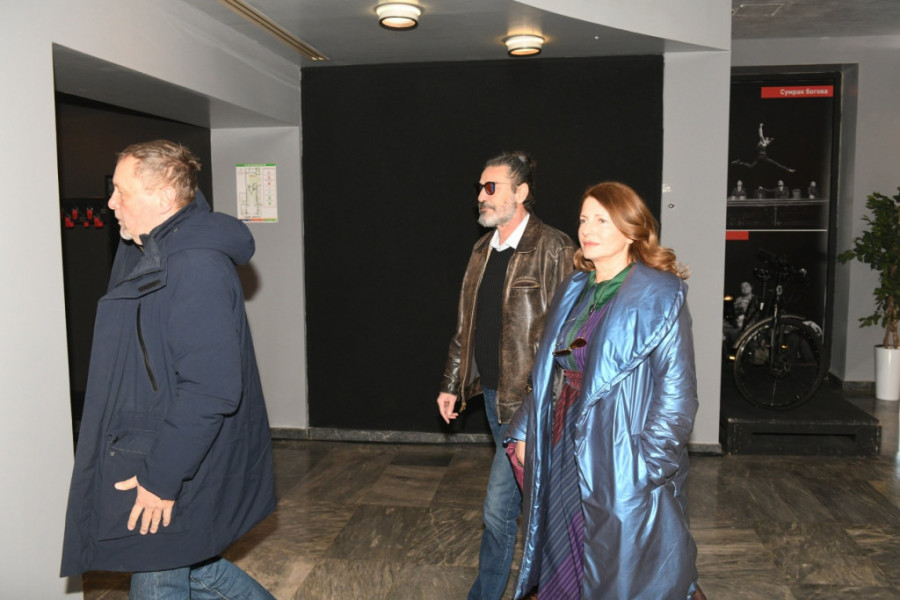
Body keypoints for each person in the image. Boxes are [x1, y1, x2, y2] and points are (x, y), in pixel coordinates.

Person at [60, 140, 276, 599]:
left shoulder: (194, 265)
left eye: (121, 191)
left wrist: (161, 479)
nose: (110, 203)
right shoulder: (150, 251)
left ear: (161, 197)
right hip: (155, 449)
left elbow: (210, 389)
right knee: (193, 568)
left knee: (159, 570)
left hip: (174, 459)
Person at [507, 182, 705, 599]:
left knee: (617, 566)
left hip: (620, 449)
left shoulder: (660, 294)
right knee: (564, 548)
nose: (587, 229)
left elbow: (678, 394)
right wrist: (525, 429)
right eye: (583, 219)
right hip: (563, 440)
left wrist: (646, 466)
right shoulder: (575, 288)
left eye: (602, 220)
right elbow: (549, 367)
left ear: (631, 229)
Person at [437, 150, 576, 600]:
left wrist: (546, 405)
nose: (481, 196)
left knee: (503, 509)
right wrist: (451, 383)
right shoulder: (482, 250)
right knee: (530, 506)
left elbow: (572, 336)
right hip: (496, 399)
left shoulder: (554, 247)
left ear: (521, 192)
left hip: (532, 406)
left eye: (491, 187)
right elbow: (466, 325)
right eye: (480, 187)